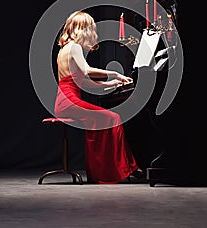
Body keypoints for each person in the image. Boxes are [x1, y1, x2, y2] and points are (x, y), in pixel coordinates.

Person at [54, 10, 142, 184]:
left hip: (64, 102)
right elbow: (87, 72)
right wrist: (114, 74)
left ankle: (105, 171)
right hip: (70, 102)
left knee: (103, 121)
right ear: (84, 29)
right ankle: (120, 169)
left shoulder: (64, 49)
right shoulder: (75, 47)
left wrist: (111, 84)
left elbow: (83, 83)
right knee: (113, 117)